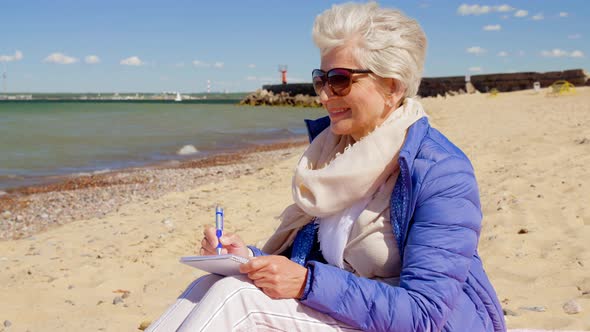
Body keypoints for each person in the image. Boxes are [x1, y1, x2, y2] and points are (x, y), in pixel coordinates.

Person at [147, 2, 506, 331]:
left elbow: (425, 313)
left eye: (340, 80)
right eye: (322, 79)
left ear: (392, 88)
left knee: (238, 300)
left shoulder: (441, 171)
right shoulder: (334, 158)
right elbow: (306, 263)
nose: (323, 94)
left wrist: (306, 283)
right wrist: (247, 259)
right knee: (212, 283)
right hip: (355, 315)